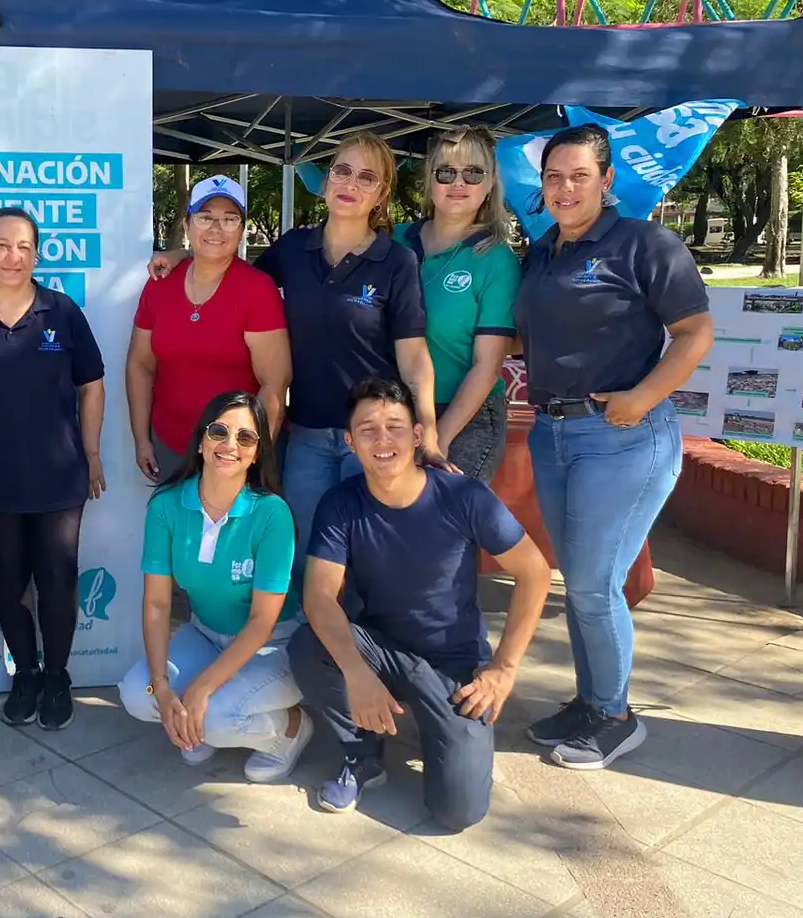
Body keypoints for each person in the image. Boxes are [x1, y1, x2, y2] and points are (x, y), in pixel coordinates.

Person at [152, 136, 442, 592]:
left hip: (373, 435)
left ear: (381, 193)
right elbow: (229, 268)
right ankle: (315, 656)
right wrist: (182, 255)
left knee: (370, 558)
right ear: (325, 182)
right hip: (306, 433)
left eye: (367, 177)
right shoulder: (293, 248)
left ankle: (364, 658)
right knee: (308, 556)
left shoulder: (397, 262)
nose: (351, 184)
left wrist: (428, 429)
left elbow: (413, 358)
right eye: (343, 171)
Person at [514, 124, 713, 770]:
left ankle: (617, 716)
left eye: (578, 175)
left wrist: (644, 395)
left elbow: (694, 332)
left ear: (606, 180)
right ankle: (591, 698)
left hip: (624, 435)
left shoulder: (644, 243)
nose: (565, 188)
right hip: (554, 434)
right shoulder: (540, 252)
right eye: (553, 177)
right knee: (580, 582)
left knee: (596, 583)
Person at [290, 377, 550, 828]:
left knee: (458, 811)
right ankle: (362, 752)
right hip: (382, 650)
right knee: (309, 645)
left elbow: (535, 572)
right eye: (368, 429)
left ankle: (445, 736)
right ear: (350, 443)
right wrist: (356, 671)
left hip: (454, 665)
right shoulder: (340, 503)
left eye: (395, 426)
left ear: (416, 436)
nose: (382, 439)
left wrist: (503, 669)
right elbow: (318, 595)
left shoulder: (464, 496)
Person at [0, 207, 107, 730]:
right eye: (2, 246)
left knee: (57, 578)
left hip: (58, 475)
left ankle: (57, 675)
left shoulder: (62, 312)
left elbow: (92, 385)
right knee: (8, 582)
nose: (14, 257)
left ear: (37, 253)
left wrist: (93, 452)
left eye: (25, 247)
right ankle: (24, 673)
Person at [119, 392, 313, 782]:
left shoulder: (271, 513)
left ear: (257, 453)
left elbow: (261, 621)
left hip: (274, 642)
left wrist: (201, 689)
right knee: (138, 694)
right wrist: (163, 686)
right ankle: (198, 722)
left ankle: (290, 730)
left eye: (245, 438)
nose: (229, 445)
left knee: (217, 714)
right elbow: (157, 604)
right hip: (205, 633)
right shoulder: (167, 505)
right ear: (202, 440)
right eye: (219, 432)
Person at [127, 175, 290, 482]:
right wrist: (141, 439)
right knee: (175, 529)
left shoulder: (257, 289)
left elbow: (274, 383)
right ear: (188, 225)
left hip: (235, 453)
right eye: (205, 217)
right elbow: (140, 365)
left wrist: (252, 455)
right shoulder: (160, 285)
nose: (216, 228)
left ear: (241, 230)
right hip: (171, 446)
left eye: (229, 219)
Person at [393, 127, 521, 482]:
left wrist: (440, 436)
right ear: (429, 179)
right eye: (446, 172)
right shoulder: (394, 239)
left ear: (491, 181)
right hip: (391, 411)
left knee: (443, 530)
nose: (458, 182)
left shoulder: (496, 261)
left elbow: (487, 365)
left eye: (473, 172)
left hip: (464, 415)